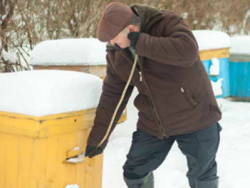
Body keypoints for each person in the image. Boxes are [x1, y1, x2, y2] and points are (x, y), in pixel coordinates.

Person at [85, 2, 222, 188]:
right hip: (155, 123)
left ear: (131, 29)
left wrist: (139, 42)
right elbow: (112, 96)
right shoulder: (116, 54)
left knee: (202, 176)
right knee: (134, 172)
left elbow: (187, 51)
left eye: (114, 39)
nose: (112, 44)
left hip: (196, 116)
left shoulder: (165, 22)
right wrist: (97, 140)